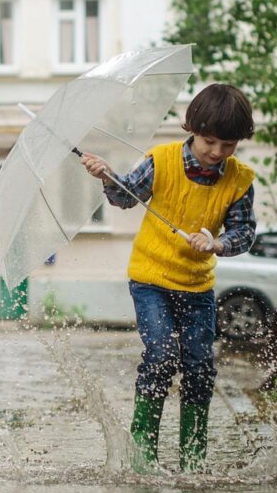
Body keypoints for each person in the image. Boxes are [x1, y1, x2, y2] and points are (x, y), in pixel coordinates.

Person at [81, 83, 257, 472]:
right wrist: (107, 176)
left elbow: (244, 233)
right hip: (151, 280)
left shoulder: (239, 180)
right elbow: (125, 196)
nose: (217, 152)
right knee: (161, 356)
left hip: (197, 286)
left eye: (228, 145)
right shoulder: (161, 161)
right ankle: (143, 456)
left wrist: (218, 243)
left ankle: (193, 460)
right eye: (210, 141)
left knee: (199, 366)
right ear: (192, 129)